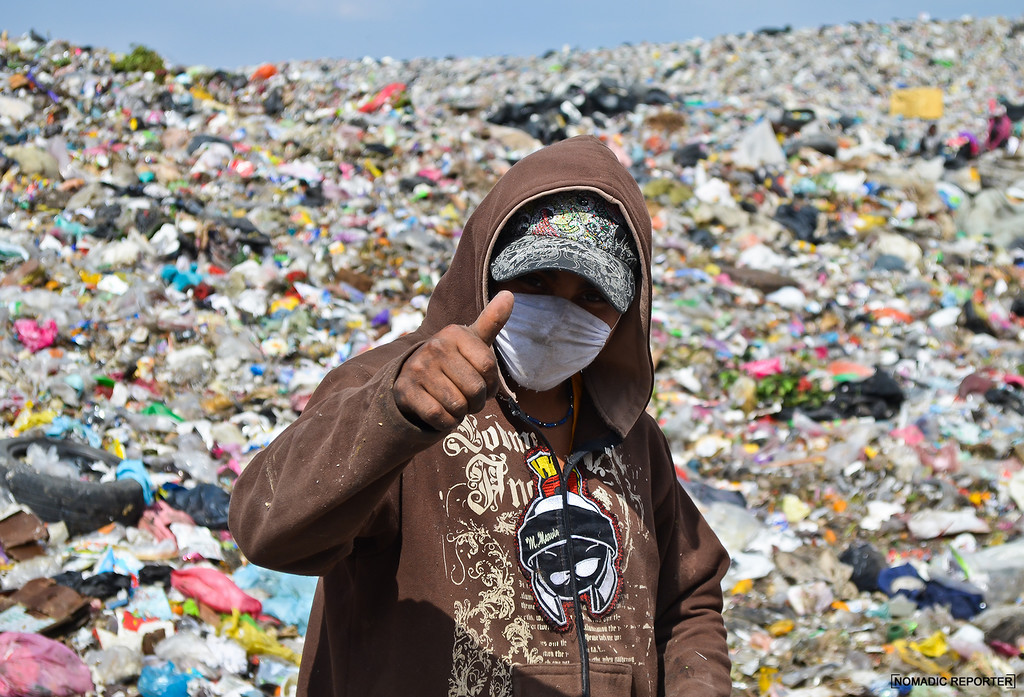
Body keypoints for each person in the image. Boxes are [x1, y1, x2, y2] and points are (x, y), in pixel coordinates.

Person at [229, 135, 732, 697]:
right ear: (485, 271)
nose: (557, 314)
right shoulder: (399, 392)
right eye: (534, 282)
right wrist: (395, 414)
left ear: (624, 312)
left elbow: (689, 598)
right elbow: (267, 532)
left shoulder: (630, 436)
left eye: (591, 295)